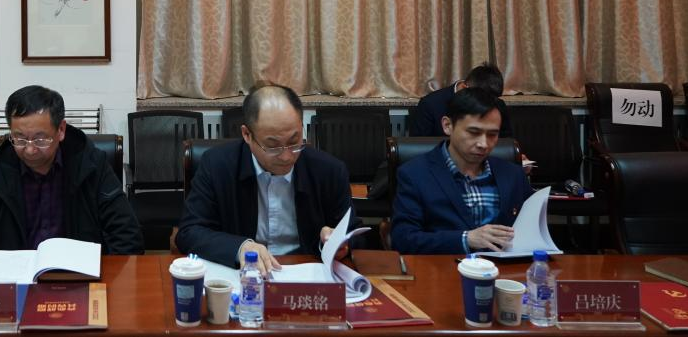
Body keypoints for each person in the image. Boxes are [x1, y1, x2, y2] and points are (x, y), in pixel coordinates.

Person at [176, 84, 356, 273]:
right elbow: (189, 232)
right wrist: (240, 248)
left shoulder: (328, 171)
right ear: (247, 135)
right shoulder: (217, 165)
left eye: (294, 141)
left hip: (306, 273)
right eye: (273, 146)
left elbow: (355, 234)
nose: (286, 156)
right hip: (244, 275)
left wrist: (339, 243)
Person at [0, 85, 143, 255]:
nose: (30, 149)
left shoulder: (92, 165)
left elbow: (126, 235)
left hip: (77, 274)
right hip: (16, 276)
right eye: (20, 139)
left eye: (40, 139)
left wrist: (107, 276)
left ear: (61, 130)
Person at [390, 86, 533, 255]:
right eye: (474, 132)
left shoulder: (513, 175)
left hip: (505, 269)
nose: (483, 144)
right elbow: (404, 239)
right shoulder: (415, 174)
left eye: (492, 135)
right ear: (447, 125)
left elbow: (532, 233)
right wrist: (466, 239)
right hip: (442, 266)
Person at [409, 62, 513, 138]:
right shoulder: (430, 105)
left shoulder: (497, 105)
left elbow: (506, 143)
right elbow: (419, 147)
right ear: (464, 87)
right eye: (480, 99)